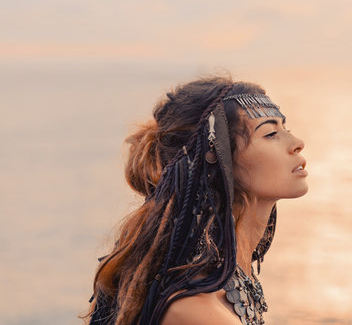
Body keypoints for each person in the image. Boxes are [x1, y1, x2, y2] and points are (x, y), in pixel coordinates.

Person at [85, 77, 308, 325]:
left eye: (285, 129)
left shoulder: (226, 281)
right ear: (220, 160)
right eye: (271, 134)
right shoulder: (195, 312)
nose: (297, 144)